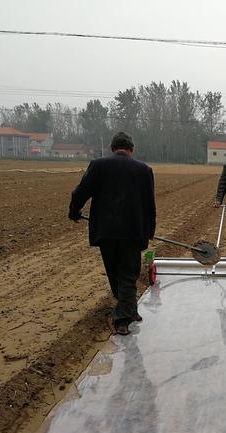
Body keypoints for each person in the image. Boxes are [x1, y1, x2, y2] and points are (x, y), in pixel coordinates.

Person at [68, 132, 156, 335]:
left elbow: (79, 192)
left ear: (112, 148)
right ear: (131, 149)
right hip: (133, 232)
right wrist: (150, 230)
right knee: (128, 274)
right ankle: (125, 314)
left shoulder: (98, 165)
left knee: (115, 272)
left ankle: (124, 314)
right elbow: (149, 204)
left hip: (106, 231)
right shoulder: (144, 170)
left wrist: (74, 212)